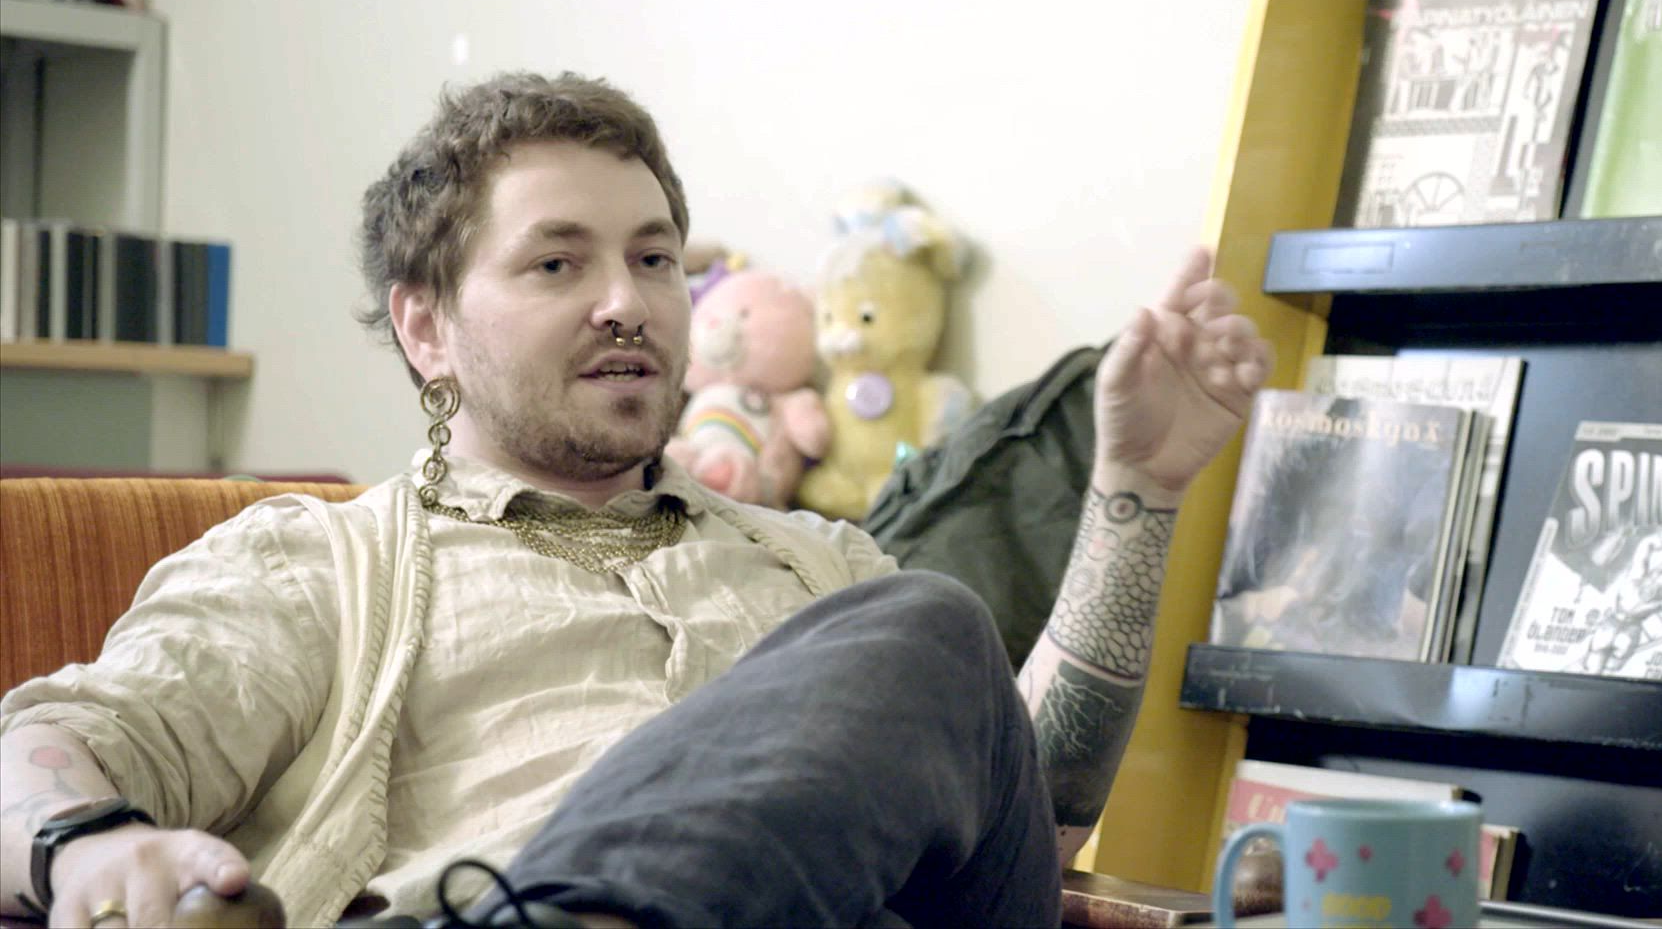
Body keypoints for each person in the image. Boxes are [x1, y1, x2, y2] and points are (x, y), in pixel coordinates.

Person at [0, 72, 1274, 929]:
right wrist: (90, 848)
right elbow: (52, 746)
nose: (628, 301)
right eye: (559, 262)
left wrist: (1137, 489)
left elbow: (1034, 825)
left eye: (654, 257)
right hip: (458, 901)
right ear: (427, 328)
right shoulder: (318, 566)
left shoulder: (827, 576)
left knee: (930, 628)